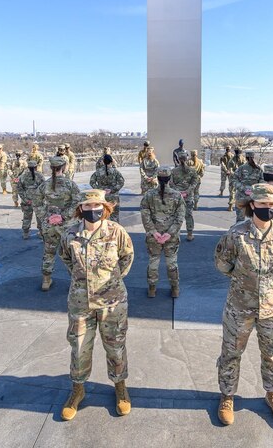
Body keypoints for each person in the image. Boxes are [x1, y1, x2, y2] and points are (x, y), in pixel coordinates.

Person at [214, 183, 273, 429]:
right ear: (252, 205)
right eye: (262, 204)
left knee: (272, 355)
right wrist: (245, 281)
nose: (267, 209)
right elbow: (222, 263)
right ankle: (227, 395)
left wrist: (272, 284)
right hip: (239, 307)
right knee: (231, 353)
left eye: (271, 205)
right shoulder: (235, 235)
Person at [58, 189, 135, 421]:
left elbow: (127, 258)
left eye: (97, 206)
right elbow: (66, 259)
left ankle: (120, 387)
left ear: (105, 208)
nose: (93, 211)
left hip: (112, 303)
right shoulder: (70, 233)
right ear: (81, 208)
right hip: (80, 303)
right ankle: (77, 390)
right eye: (88, 207)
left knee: (115, 346)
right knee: (79, 347)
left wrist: (108, 282)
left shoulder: (117, 232)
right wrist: (84, 282)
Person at [36, 155, 81, 291]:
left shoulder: (44, 185)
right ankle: (76, 282)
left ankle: (46, 280)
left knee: (49, 252)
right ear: (64, 167)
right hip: (67, 226)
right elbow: (77, 202)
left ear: (51, 168)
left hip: (49, 225)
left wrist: (47, 217)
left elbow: (37, 203)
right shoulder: (70, 184)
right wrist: (63, 216)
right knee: (72, 253)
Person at [140, 166, 185, 298]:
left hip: (154, 237)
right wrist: (169, 233)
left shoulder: (149, 195)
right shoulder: (177, 196)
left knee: (153, 261)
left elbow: (145, 215)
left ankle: (152, 289)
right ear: (170, 179)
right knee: (172, 262)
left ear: (157, 179)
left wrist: (153, 232)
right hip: (171, 236)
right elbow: (180, 217)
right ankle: (175, 289)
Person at [169, 150, 199, 241]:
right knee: (188, 215)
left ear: (178, 159)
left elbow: (171, 183)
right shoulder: (192, 171)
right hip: (188, 196)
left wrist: (179, 192)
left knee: (176, 216)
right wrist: (187, 192)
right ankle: (189, 234)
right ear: (187, 159)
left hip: (176, 197)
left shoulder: (173, 171)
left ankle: (175, 234)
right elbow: (195, 183)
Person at [89, 155, 125, 222]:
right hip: (113, 196)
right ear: (111, 162)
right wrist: (112, 189)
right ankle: (115, 230)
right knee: (115, 215)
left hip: (102, 196)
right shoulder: (115, 172)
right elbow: (121, 182)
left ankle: (103, 230)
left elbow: (92, 182)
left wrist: (99, 189)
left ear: (103, 161)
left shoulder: (98, 172)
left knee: (103, 215)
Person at [232, 150, 264, 223]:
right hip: (254, 197)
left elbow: (234, 180)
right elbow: (262, 181)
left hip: (241, 196)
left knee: (240, 218)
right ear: (253, 157)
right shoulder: (258, 169)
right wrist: (254, 189)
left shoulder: (241, 168)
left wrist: (243, 189)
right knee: (255, 218)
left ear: (246, 157)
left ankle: (239, 232)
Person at [17, 160, 45, 240]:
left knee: (27, 217)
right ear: (36, 167)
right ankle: (41, 233)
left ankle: (26, 233)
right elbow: (44, 188)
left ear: (28, 168)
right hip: (38, 201)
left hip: (27, 202)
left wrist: (25, 199)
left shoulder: (23, 176)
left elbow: (19, 188)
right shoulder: (40, 176)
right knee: (40, 217)